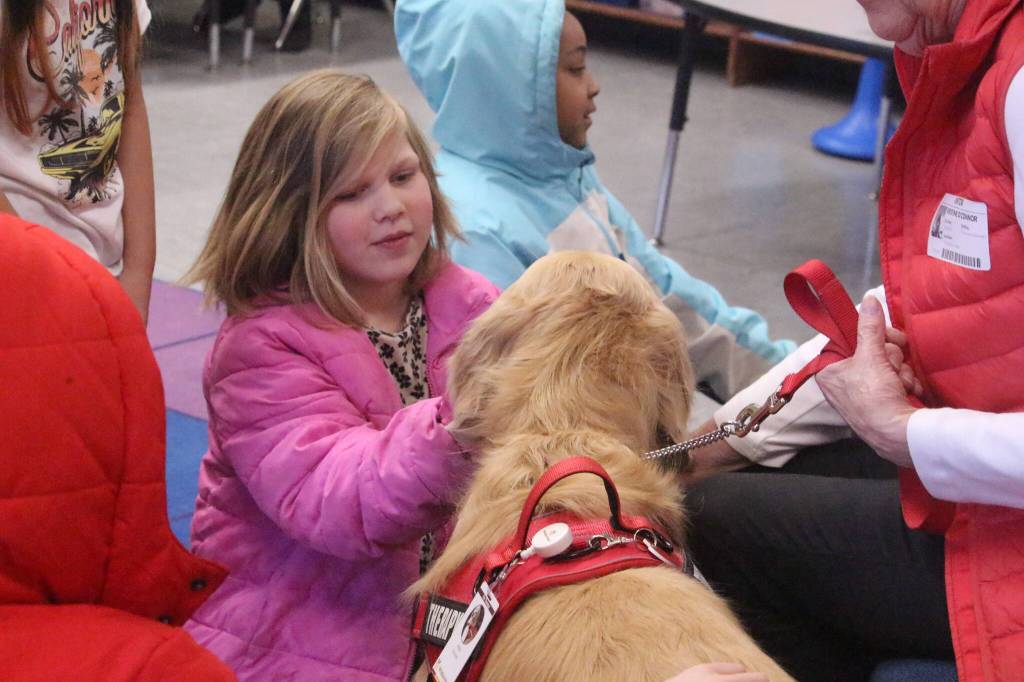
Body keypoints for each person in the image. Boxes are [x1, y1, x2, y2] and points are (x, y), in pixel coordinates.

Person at [682, 0, 1024, 680]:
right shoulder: (964, 61)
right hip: (989, 481)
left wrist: (907, 434)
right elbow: (914, 305)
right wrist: (720, 439)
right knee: (740, 479)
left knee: (715, 522)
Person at [180, 69, 499, 680]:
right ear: (290, 213)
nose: (391, 208)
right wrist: (469, 415)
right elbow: (345, 498)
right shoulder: (260, 349)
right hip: (298, 643)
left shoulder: (477, 307)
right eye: (352, 194)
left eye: (404, 177)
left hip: (447, 631)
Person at [394, 0, 795, 407]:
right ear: (509, 87)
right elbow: (517, 407)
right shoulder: (476, 230)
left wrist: (790, 373)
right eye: (574, 68)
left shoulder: (561, 175)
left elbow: (668, 296)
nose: (593, 84)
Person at [0, 0, 156, 323]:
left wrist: (138, 275)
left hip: (104, 272)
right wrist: (42, 278)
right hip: (23, 273)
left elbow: (130, 107)